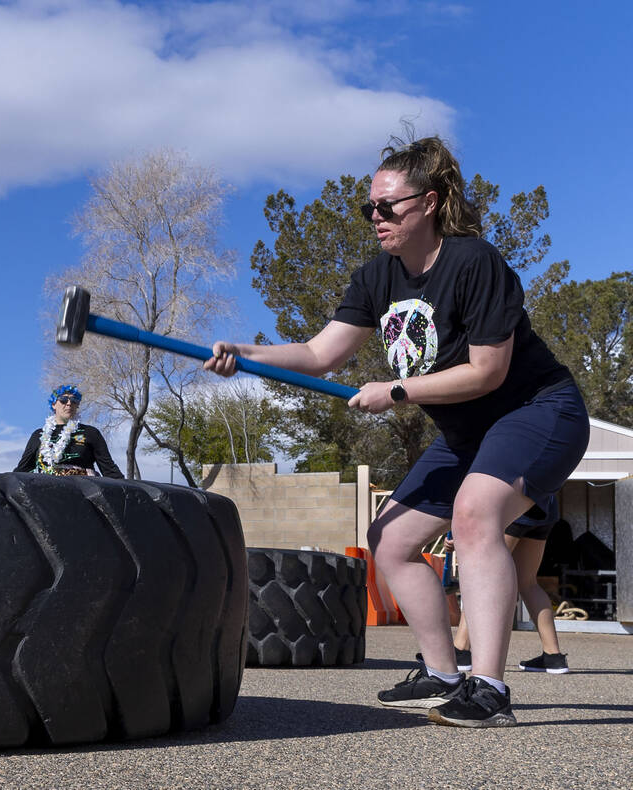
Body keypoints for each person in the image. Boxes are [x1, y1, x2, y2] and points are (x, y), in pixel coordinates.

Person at [204, 136, 588, 728]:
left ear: (430, 203)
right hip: (468, 435)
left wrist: (398, 390)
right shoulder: (377, 278)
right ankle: (442, 676)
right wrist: (245, 352)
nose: (376, 219)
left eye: (389, 207)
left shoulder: (473, 262)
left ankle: (488, 690)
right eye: (370, 209)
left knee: (476, 514)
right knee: (389, 539)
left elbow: (488, 371)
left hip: (538, 412)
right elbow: (320, 353)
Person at [447, 519, 569, 674]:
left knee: (482, 578)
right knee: (528, 582)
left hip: (511, 511)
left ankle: (461, 649)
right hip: (543, 507)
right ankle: (553, 656)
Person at [14, 384, 123, 478]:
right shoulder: (38, 435)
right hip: (45, 491)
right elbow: (22, 469)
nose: (69, 403)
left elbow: (108, 469)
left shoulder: (90, 433)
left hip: (82, 490)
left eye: (74, 400)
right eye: (63, 400)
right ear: (53, 404)